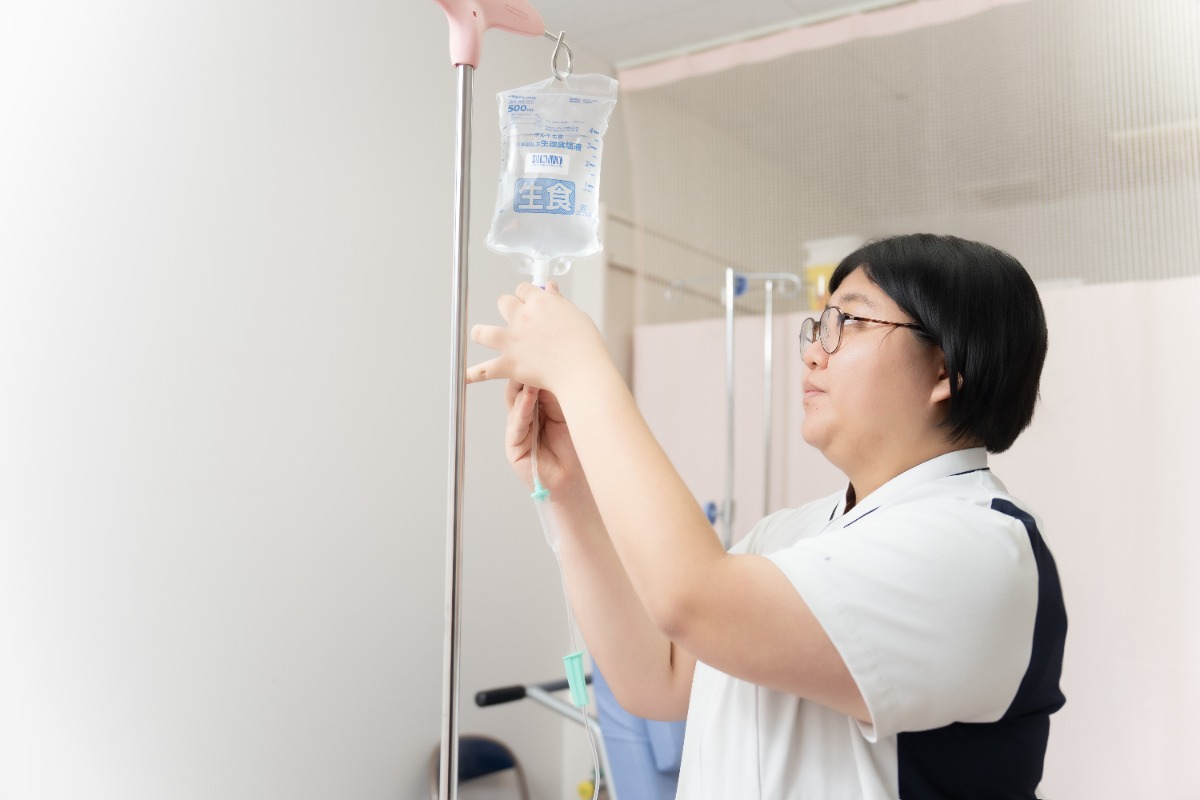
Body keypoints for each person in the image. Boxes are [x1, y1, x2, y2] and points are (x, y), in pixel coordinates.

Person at [467, 233, 1067, 799]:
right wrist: (571, 491)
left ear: (944, 369)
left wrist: (582, 371)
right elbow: (659, 678)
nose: (812, 352)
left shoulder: (977, 546)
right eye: (819, 325)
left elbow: (692, 600)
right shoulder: (790, 533)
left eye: (849, 323)